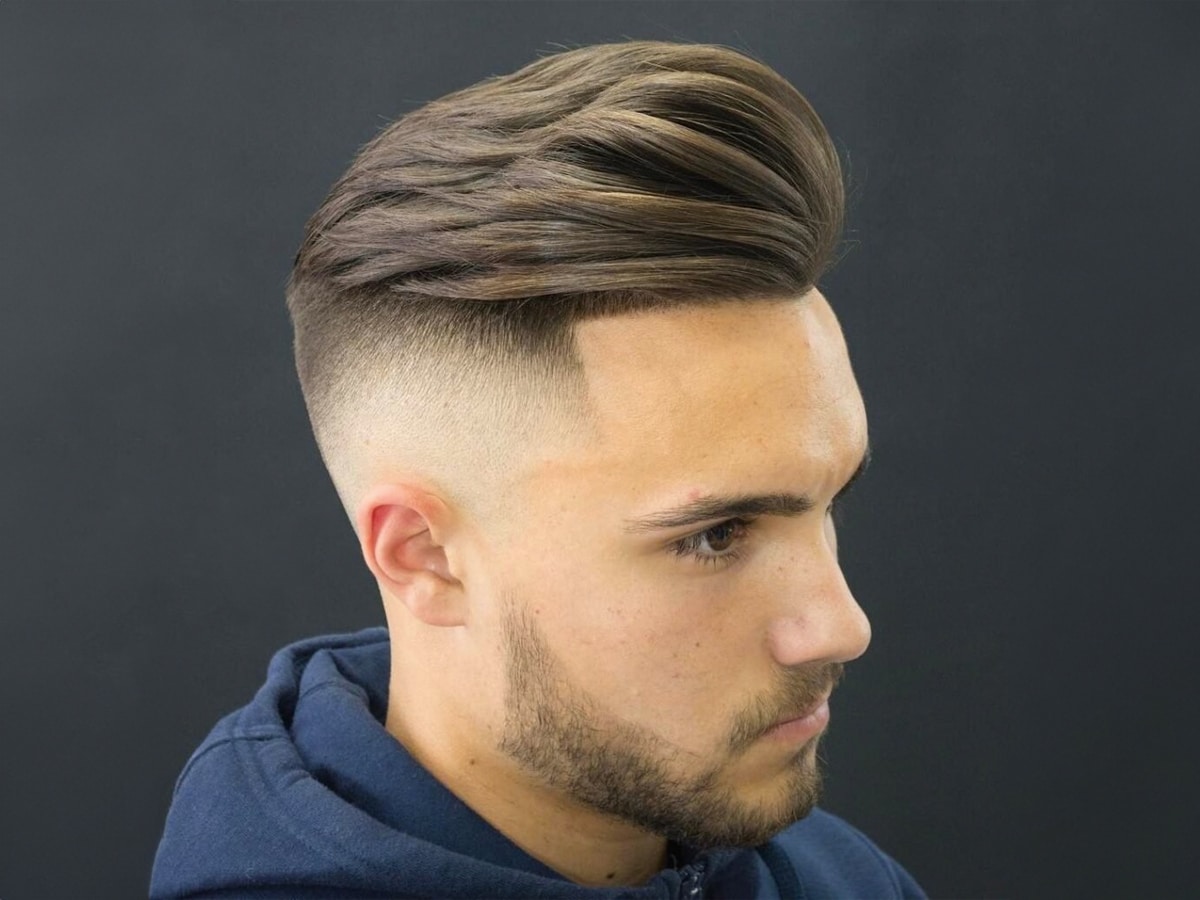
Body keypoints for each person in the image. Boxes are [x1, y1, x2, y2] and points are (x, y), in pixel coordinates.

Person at [151, 40, 925, 899]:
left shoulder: (832, 875)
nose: (840, 626)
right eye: (715, 535)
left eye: (828, 504)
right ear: (424, 556)